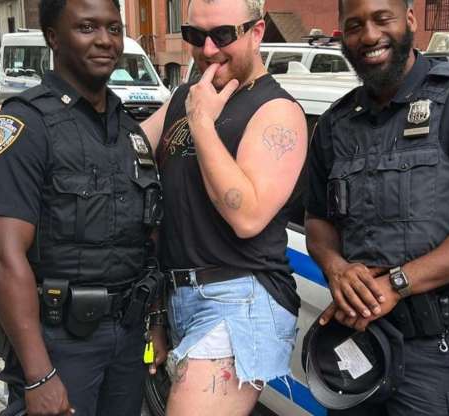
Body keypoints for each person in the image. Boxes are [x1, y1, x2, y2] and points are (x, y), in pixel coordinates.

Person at [304, 0, 449, 415]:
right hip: (356, 347)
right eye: (355, 25)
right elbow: (317, 221)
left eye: (383, 19)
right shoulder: (335, 124)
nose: (370, 35)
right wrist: (337, 267)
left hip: (438, 362)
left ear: (411, 20)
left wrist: (398, 283)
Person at [0, 0, 165, 414]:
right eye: (87, 28)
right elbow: (3, 257)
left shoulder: (128, 131)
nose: (105, 40)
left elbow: (142, 242)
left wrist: (154, 323)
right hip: (59, 343)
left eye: (114, 28)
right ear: (53, 37)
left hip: (127, 338)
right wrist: (39, 374)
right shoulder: (24, 127)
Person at [140, 0, 308, 414]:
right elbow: (128, 151)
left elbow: (246, 216)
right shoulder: (188, 96)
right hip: (179, 293)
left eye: (222, 35)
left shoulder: (277, 111)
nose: (208, 50)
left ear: (257, 32)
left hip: (239, 298)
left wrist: (201, 123)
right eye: (195, 36)